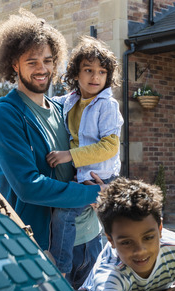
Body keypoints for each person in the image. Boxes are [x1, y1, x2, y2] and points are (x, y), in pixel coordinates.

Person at [0, 10, 104, 289]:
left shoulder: (63, 108)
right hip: (44, 249)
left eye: (48, 60)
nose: (42, 69)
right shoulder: (6, 114)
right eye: (32, 61)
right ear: (14, 64)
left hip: (90, 240)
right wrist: (95, 192)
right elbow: (28, 186)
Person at [46, 36, 124, 278]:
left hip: (101, 177)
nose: (95, 77)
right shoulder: (69, 101)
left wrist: (69, 156)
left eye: (102, 72)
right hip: (81, 178)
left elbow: (110, 146)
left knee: (65, 212)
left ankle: (61, 269)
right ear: (75, 74)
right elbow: (45, 104)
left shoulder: (107, 105)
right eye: (88, 70)